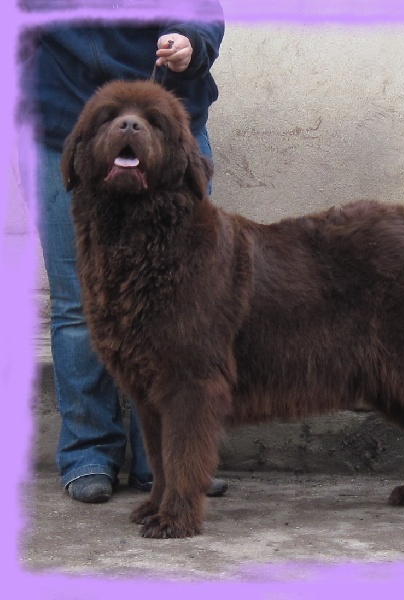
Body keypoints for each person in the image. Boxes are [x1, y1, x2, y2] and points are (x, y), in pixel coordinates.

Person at [20, 0, 228, 503]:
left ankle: (168, 463)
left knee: (182, 308)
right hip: (63, 127)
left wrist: (190, 41)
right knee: (76, 305)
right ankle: (88, 452)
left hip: (167, 125)